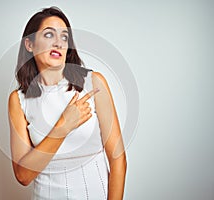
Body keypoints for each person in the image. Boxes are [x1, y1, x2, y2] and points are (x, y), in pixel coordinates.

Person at [8, 6, 127, 200]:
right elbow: (23, 175)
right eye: (48, 35)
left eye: (64, 37)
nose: (58, 42)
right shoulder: (19, 100)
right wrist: (64, 126)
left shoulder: (93, 83)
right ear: (29, 44)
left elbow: (118, 159)